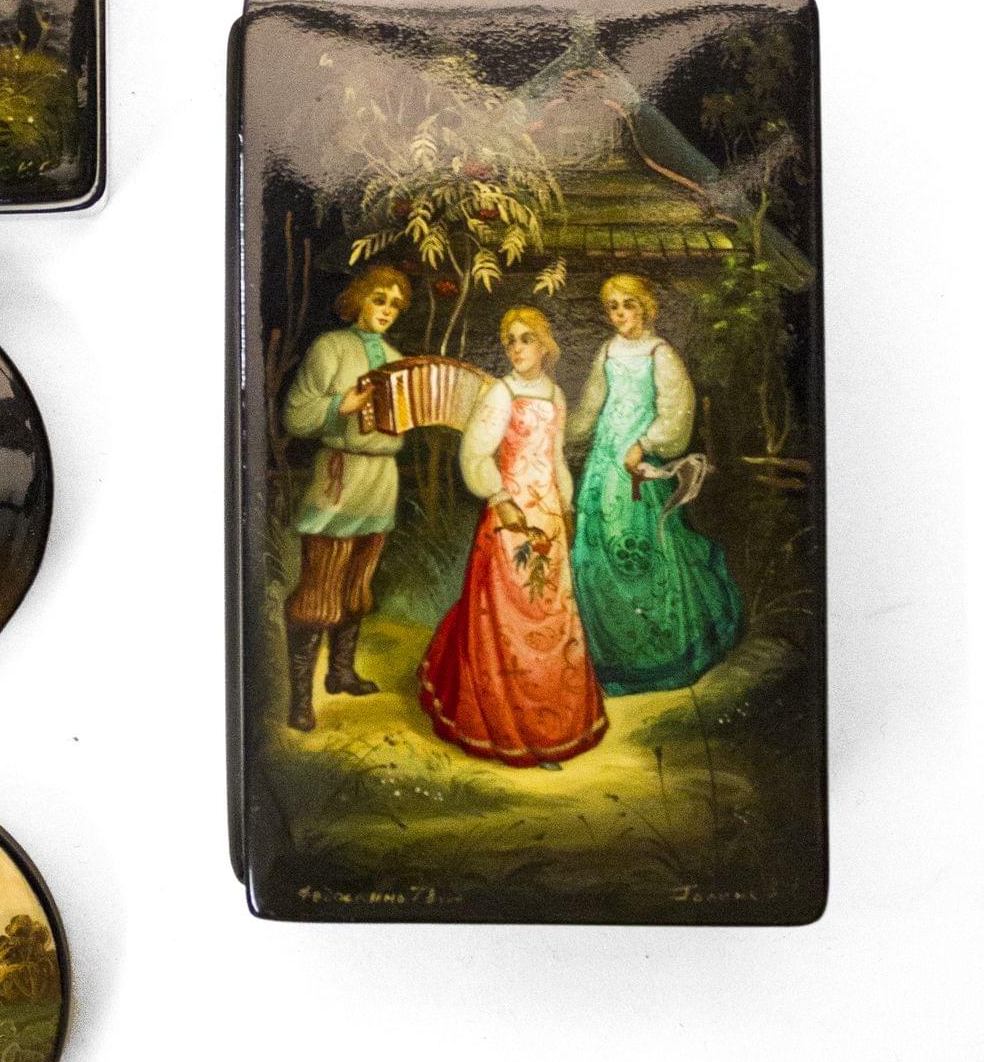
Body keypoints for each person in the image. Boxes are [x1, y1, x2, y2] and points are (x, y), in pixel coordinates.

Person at [418, 307, 607, 767]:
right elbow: (475, 453)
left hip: (548, 516)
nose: (517, 349)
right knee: (508, 614)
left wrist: (567, 506)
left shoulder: (555, 394)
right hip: (511, 513)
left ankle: (552, 726)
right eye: (510, 341)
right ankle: (507, 725)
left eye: (526, 339)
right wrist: (499, 497)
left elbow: (556, 458)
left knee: (551, 613)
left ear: (545, 345)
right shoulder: (500, 393)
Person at [567, 274, 742, 692]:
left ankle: (658, 652)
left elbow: (677, 411)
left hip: (637, 465)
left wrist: (644, 443)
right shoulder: (607, 350)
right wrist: (558, 432)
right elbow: (590, 406)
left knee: (639, 547)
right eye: (612, 307)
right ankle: (610, 653)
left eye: (628, 305)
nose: (619, 314)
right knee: (596, 547)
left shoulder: (661, 354)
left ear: (646, 308)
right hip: (604, 461)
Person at [279, 264, 411, 729]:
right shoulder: (330, 347)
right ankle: (300, 701)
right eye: (379, 299)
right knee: (319, 592)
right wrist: (341, 406)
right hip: (339, 476)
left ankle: (340, 673)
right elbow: (296, 415)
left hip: (380, 481)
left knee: (358, 586)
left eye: (396, 305)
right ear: (358, 299)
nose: (387, 311)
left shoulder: (396, 359)